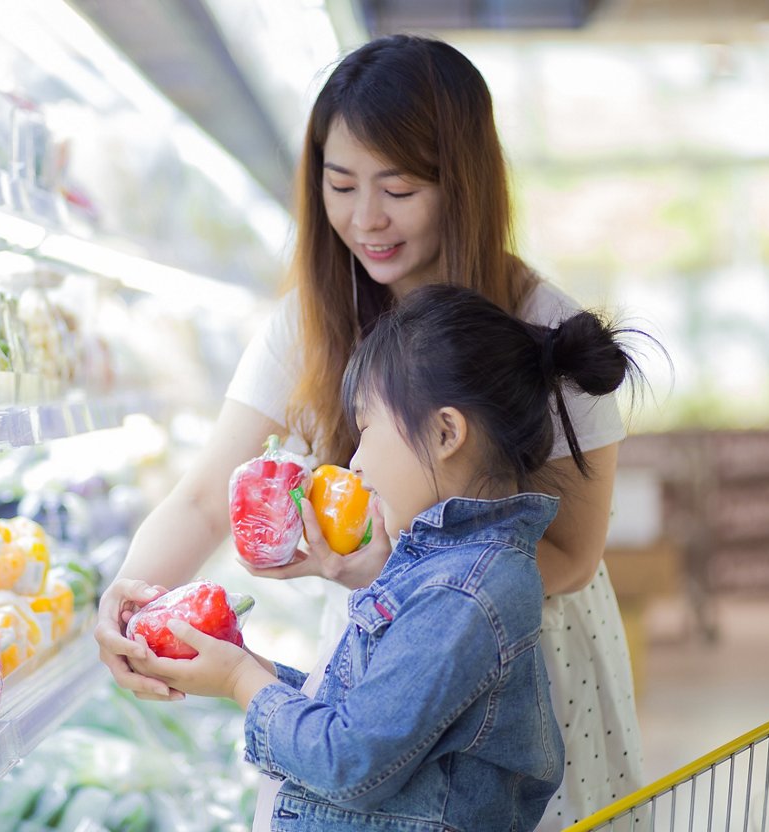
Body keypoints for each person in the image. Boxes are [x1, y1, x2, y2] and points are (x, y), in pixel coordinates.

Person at [95, 34, 644, 828]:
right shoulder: (311, 321)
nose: (364, 219)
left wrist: (387, 570)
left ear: (462, 184)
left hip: (520, 654)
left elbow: (570, 554)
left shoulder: (542, 326)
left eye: (399, 188)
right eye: (341, 183)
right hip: (384, 642)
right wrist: (126, 599)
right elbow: (205, 496)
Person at [129, 284, 644, 831]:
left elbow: (349, 759)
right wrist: (252, 668)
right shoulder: (447, 571)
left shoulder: (461, 594)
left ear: (446, 432)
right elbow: (370, 713)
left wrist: (239, 682)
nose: (354, 460)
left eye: (367, 429)